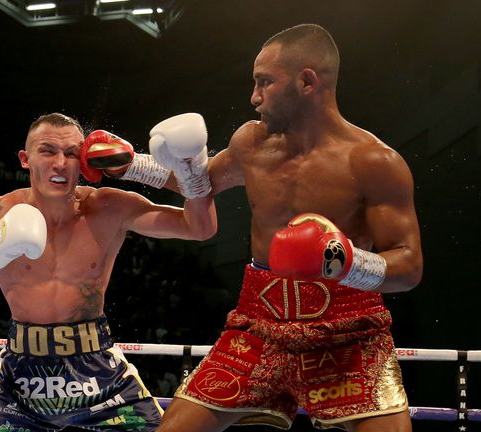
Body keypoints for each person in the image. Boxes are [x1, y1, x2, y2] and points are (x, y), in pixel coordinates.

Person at [153, 24, 423, 431]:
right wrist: (131, 165)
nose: (254, 98)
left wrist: (343, 261)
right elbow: (199, 184)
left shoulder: (373, 162)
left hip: (347, 331)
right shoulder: (251, 143)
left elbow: (408, 267)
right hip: (258, 323)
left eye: (265, 83)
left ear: (307, 80)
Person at [0, 112, 217, 432]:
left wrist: (136, 167)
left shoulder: (108, 207)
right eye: (47, 151)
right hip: (21, 383)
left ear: (86, 160)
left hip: (102, 377)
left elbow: (200, 227)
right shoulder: (2, 210)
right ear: (25, 159)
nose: (61, 163)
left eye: (72, 153)